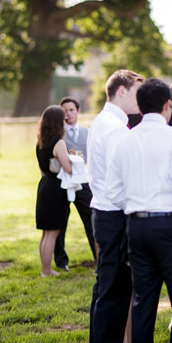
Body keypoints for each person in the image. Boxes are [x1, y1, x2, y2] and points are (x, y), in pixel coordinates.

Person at [105, 78, 172, 343]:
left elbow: (112, 192)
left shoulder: (125, 139)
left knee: (143, 302)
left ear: (140, 106)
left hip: (137, 226)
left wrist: (135, 207)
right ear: (167, 105)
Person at [87, 70, 144, 343]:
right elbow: (122, 179)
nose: (140, 100)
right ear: (121, 91)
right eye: (136, 92)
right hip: (115, 215)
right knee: (114, 293)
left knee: (106, 290)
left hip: (103, 211)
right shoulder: (115, 129)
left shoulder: (104, 122)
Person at [54, 97, 96, 271]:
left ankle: (98, 256)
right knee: (60, 221)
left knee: (90, 219)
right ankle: (61, 260)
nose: (68, 114)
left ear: (78, 111)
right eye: (64, 111)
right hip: (63, 181)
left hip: (82, 180)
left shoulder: (87, 132)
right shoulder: (57, 133)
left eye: (71, 110)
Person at [35, 105, 72, 277]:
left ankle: (45, 269)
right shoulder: (59, 142)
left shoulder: (40, 142)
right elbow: (68, 168)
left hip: (44, 185)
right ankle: (46, 270)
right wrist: (75, 159)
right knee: (53, 232)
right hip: (56, 189)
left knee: (46, 232)